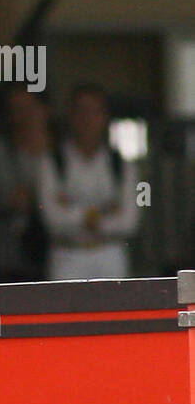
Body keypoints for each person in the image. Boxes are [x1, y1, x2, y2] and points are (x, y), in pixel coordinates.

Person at [36, 84, 138, 280]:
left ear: (104, 116)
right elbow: (52, 218)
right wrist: (103, 214)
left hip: (110, 254)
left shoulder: (121, 165)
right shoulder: (52, 162)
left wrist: (72, 211)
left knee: (113, 309)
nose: (87, 119)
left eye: (94, 112)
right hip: (66, 255)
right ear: (70, 115)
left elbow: (129, 221)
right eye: (81, 111)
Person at [0, 87, 52, 282]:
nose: (25, 116)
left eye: (29, 108)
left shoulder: (64, 152)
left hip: (58, 255)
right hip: (8, 254)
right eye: (17, 109)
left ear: (44, 109)